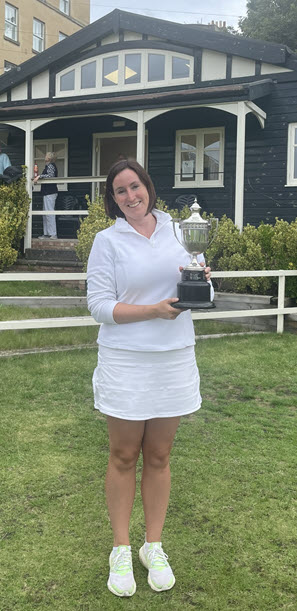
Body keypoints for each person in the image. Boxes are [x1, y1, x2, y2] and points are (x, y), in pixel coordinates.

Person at [87, 159, 213, 598]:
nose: (129, 196)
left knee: (159, 455)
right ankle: (121, 549)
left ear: (148, 187)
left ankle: (152, 546)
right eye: (119, 191)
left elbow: (203, 293)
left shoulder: (182, 232)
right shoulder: (107, 241)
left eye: (134, 186)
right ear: (113, 198)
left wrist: (204, 283)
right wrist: (154, 310)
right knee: (124, 455)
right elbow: (100, 306)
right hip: (125, 361)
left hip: (173, 358)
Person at [33, 152, 58, 239]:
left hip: (50, 192)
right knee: (45, 213)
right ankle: (47, 233)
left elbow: (50, 175)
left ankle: (53, 234)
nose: (45, 157)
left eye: (46, 155)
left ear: (49, 158)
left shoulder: (51, 165)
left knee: (49, 212)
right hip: (47, 192)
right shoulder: (48, 166)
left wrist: (39, 176)